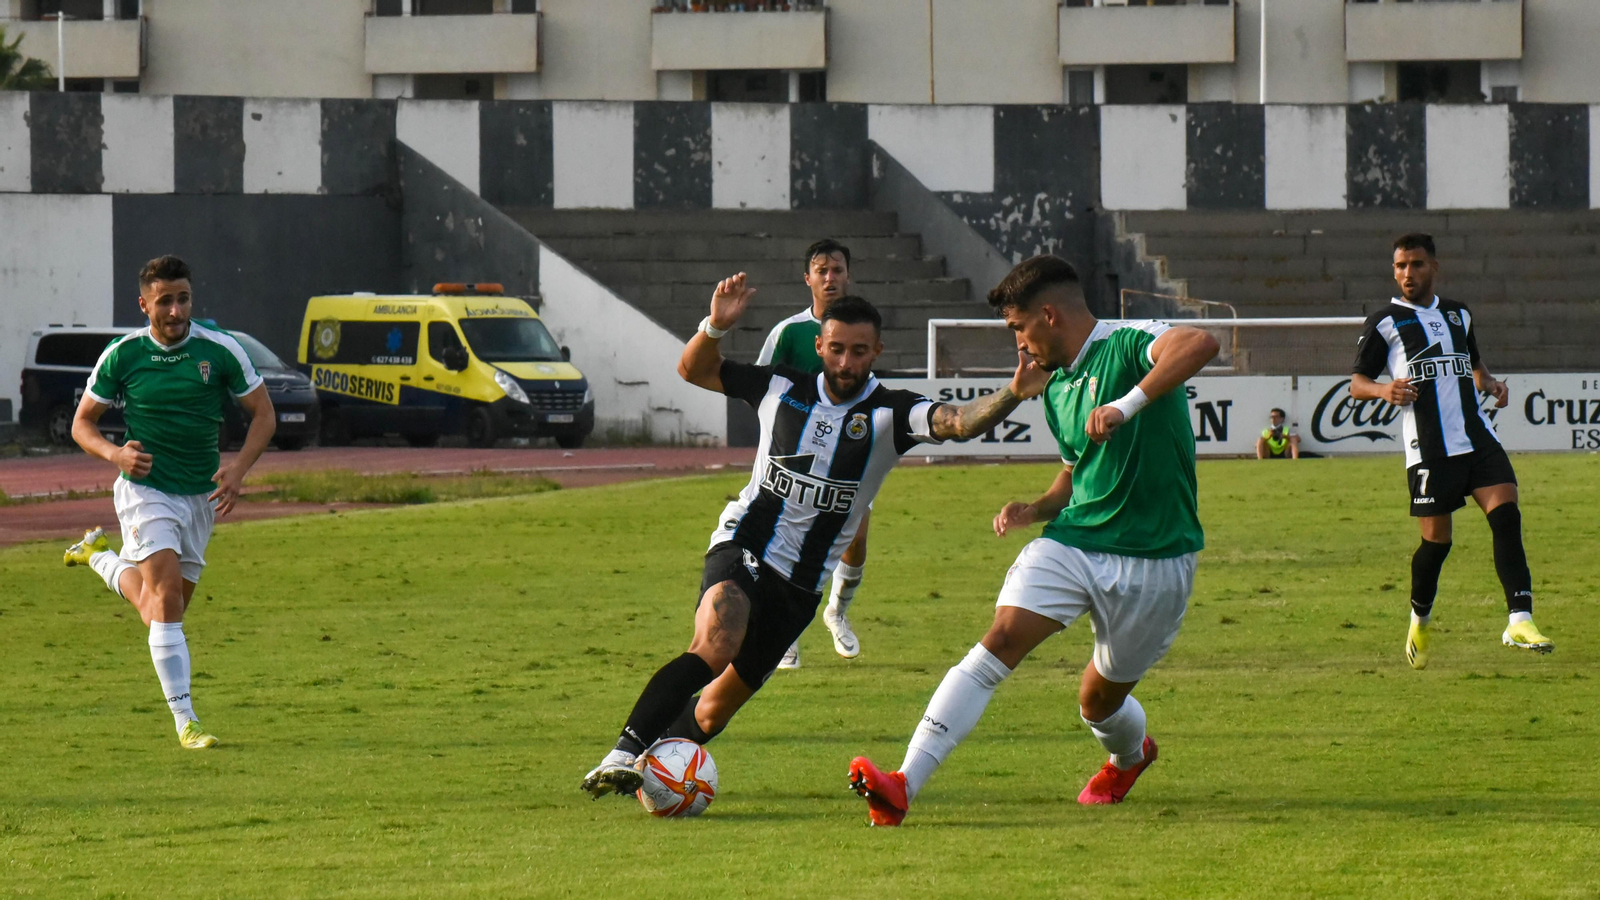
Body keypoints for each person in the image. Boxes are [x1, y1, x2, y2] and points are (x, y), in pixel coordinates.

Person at [579, 274, 1049, 800]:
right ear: (820, 345)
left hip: (799, 588)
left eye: (859, 351)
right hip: (745, 545)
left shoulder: (891, 412)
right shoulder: (780, 387)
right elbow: (693, 369)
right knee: (717, 641)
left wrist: (1013, 392)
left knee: (714, 709)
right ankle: (622, 752)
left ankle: (654, 769)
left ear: (877, 351)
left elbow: (958, 421)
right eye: (837, 349)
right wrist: (715, 326)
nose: (846, 363)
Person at [848, 255, 1219, 825]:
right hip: (1074, 543)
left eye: (1018, 328)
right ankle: (902, 786)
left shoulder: (1125, 344)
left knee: (1098, 703)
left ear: (1048, 315)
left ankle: (1129, 755)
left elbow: (1200, 343)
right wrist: (1037, 507)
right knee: (999, 639)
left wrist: (1126, 404)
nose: (1018, 344)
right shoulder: (1053, 388)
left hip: (1157, 558)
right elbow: (1077, 469)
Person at [62, 255, 276, 749]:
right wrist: (116, 453)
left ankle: (97, 557)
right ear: (145, 305)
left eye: (183, 299)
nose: (176, 311)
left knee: (159, 607)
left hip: (199, 497)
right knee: (167, 603)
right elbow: (81, 423)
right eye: (165, 301)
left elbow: (263, 414)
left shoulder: (220, 350)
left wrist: (239, 469)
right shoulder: (123, 355)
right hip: (146, 491)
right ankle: (187, 723)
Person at [1349, 233, 1551, 670]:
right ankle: (1419, 619)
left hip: (1477, 438)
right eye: (1400, 266)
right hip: (1430, 450)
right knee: (1437, 545)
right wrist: (1385, 389)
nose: (1407, 273)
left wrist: (1491, 384)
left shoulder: (1459, 314)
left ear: (1433, 268)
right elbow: (1356, 384)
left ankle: (1519, 619)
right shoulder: (1385, 322)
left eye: (1416, 265)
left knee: (1507, 516)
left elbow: (1473, 365)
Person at [756, 239, 869, 667]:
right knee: (786, 540)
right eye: (821, 270)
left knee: (855, 540)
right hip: (795, 458)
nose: (830, 277)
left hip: (847, 453)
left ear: (847, 275)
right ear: (808, 279)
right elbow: (761, 386)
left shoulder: (861, 330)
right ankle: (785, 633)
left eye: (837, 269)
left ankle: (837, 612)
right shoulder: (789, 333)